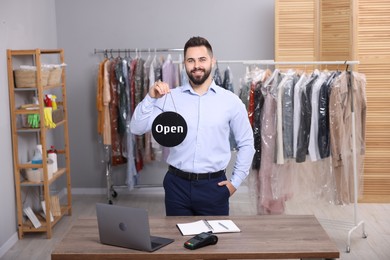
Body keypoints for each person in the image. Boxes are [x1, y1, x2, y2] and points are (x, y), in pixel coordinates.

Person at [130, 36, 255, 216]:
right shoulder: (168, 97)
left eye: (202, 59)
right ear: (184, 64)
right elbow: (136, 128)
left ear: (213, 61)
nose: (197, 65)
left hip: (214, 187)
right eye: (191, 60)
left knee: (214, 242)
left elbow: (247, 144)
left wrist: (235, 183)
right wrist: (150, 97)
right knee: (178, 241)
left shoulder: (231, 101)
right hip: (176, 186)